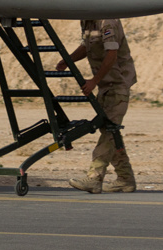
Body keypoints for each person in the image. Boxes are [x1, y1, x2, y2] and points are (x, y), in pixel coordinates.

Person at [59, 19, 137, 194]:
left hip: (118, 85)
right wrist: (68, 61)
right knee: (110, 130)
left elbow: (112, 54)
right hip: (105, 86)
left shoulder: (107, 21)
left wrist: (94, 81)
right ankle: (125, 179)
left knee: (109, 132)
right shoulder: (87, 20)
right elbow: (86, 47)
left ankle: (94, 178)